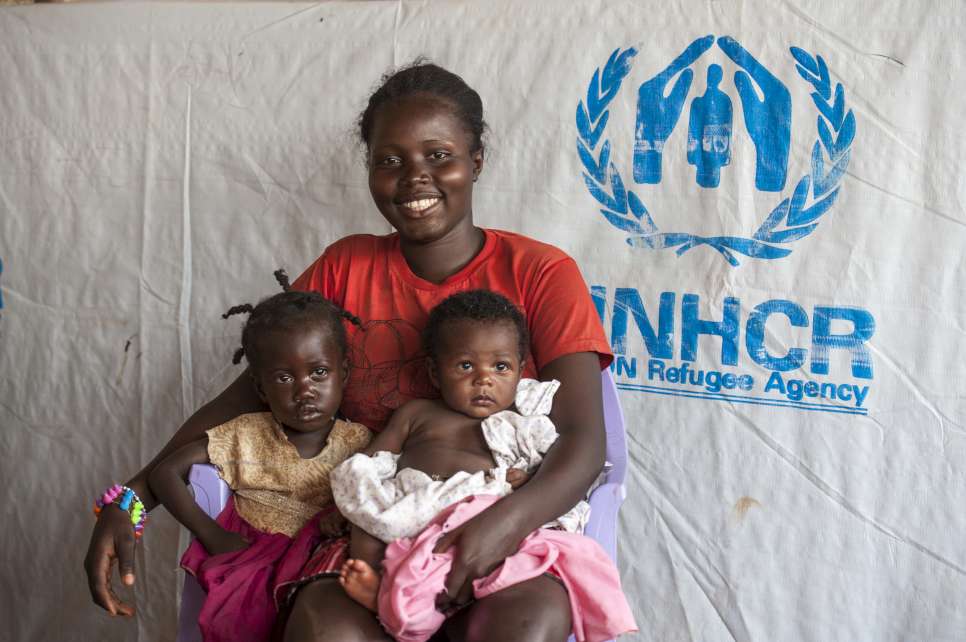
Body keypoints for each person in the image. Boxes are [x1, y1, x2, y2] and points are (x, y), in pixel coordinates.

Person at [85, 61, 617, 642]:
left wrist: (499, 528)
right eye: (389, 161)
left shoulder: (541, 273)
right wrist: (129, 501)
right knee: (325, 629)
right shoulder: (344, 268)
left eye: (439, 155)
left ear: (477, 161)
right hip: (367, 535)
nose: (415, 178)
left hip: (503, 519)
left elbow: (585, 441)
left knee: (522, 626)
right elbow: (242, 400)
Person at [331, 290, 636, 642]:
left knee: (526, 560)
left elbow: (548, 465)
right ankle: (384, 590)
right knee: (369, 525)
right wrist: (352, 498)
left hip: (485, 518)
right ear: (434, 371)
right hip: (417, 513)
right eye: (465, 366)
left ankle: (411, 605)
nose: (483, 379)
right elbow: (372, 463)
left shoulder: (524, 422)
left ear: (521, 372)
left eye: (500, 367)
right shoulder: (416, 415)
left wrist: (523, 480)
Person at [147, 272, 372, 641]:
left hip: (321, 561)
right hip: (252, 557)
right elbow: (165, 473)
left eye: (318, 373)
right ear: (260, 387)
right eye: (284, 379)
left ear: (342, 373)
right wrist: (211, 534)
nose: (304, 391)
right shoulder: (247, 435)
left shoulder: (359, 443)